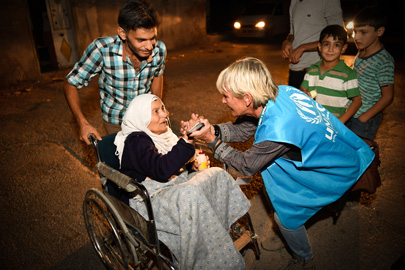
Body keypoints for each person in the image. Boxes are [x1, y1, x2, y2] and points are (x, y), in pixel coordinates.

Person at [181, 57, 374, 269]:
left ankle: (303, 257)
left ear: (247, 98)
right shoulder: (279, 92)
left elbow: (247, 165)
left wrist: (212, 141)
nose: (222, 101)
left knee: (285, 219)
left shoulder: (279, 129)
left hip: (331, 168)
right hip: (331, 152)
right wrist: (212, 131)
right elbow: (245, 129)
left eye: (226, 96)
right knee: (274, 186)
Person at [113, 94, 250, 270]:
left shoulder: (164, 135)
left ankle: (220, 231)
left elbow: (175, 165)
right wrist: (186, 142)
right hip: (150, 201)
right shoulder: (136, 141)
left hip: (173, 188)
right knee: (190, 193)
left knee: (217, 174)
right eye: (156, 111)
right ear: (142, 117)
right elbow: (162, 170)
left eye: (163, 108)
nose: (165, 114)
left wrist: (193, 163)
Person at [64, 0, 166, 145]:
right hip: (116, 122)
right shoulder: (102, 50)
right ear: (122, 34)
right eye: (141, 40)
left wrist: (157, 110)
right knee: (123, 164)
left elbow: (158, 75)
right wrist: (82, 123)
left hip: (146, 120)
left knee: (152, 161)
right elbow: (70, 84)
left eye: (153, 38)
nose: (149, 46)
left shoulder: (160, 49)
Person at [345, 7, 394, 141]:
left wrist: (364, 117)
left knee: (362, 153)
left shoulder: (384, 60)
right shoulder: (362, 51)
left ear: (380, 31)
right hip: (353, 111)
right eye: (355, 31)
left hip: (366, 117)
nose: (356, 37)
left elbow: (388, 96)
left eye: (363, 32)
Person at [300, 25, 362, 124]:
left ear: (343, 48)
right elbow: (303, 89)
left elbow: (357, 101)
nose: (330, 49)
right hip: (313, 122)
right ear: (320, 47)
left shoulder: (347, 74)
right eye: (326, 44)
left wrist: (340, 122)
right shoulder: (312, 70)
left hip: (334, 125)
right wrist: (304, 92)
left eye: (336, 45)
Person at [281, 0, 343, 88]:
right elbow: (293, 32)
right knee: (295, 101)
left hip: (319, 68)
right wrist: (288, 41)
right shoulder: (294, 1)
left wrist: (303, 48)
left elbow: (338, 35)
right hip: (296, 68)